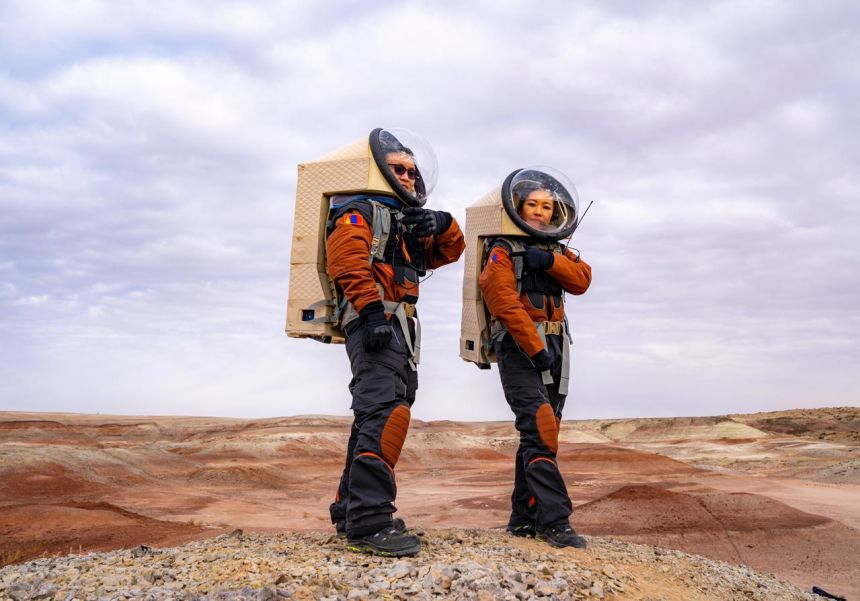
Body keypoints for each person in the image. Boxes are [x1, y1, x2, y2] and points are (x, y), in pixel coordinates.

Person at [326, 130, 465, 556]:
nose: (407, 177)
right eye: (398, 169)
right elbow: (346, 259)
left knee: (375, 412)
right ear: (379, 170)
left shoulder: (402, 220)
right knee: (386, 412)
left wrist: (443, 224)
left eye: (411, 171)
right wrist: (370, 313)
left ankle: (352, 509)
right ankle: (370, 523)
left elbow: (449, 251)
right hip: (376, 322)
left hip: (397, 325)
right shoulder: (360, 210)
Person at [479, 174, 592, 549]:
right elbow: (502, 301)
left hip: (558, 346)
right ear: (518, 207)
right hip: (520, 347)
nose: (541, 213)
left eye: (547, 206)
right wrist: (533, 347)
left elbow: (583, 279)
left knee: (543, 431)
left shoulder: (556, 249)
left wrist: (550, 262)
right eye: (533, 205)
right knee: (540, 427)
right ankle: (554, 521)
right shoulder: (502, 249)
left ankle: (523, 518)